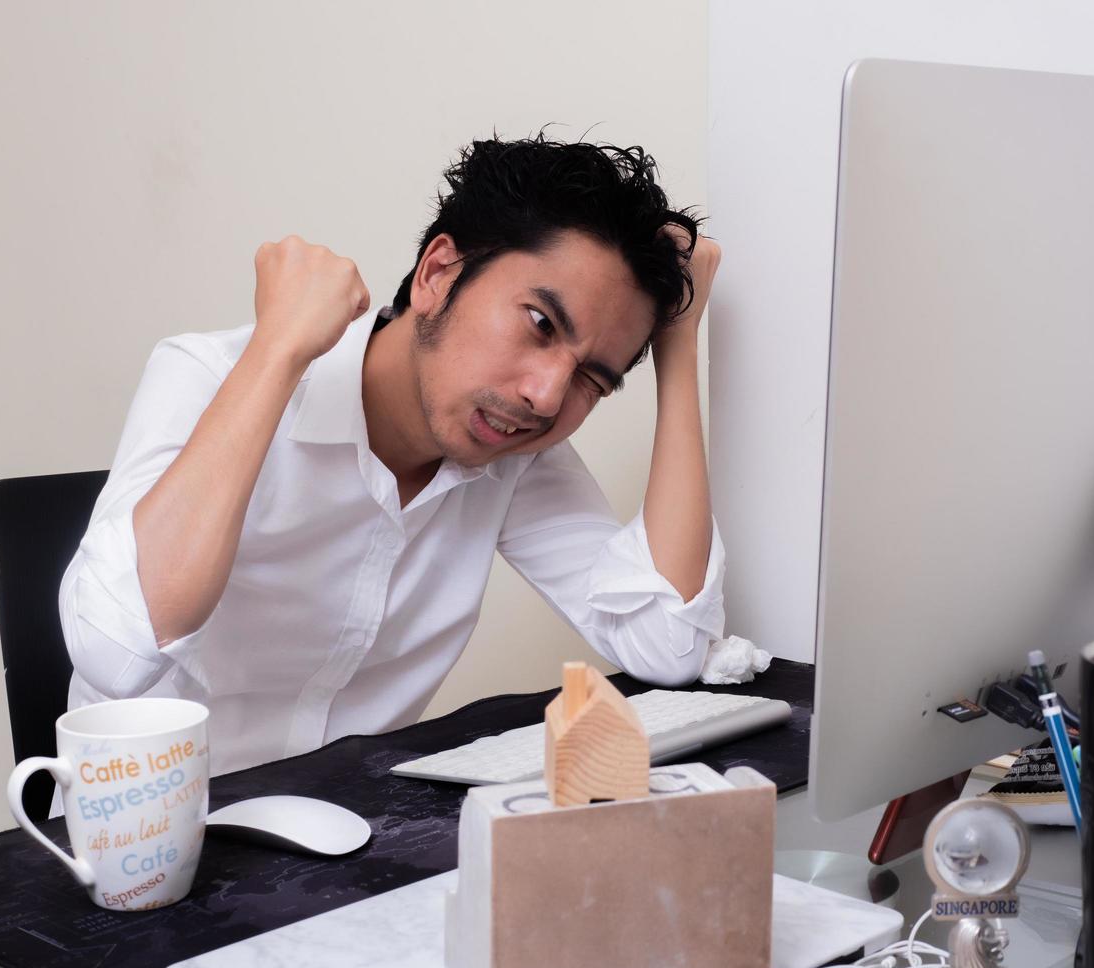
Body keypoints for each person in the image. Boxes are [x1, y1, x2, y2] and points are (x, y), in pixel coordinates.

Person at [59, 133, 726, 780]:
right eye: (539, 324)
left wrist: (678, 344)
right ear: (438, 272)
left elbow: (666, 645)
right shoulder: (210, 373)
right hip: (152, 842)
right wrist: (277, 350)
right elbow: (117, 656)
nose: (546, 397)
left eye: (593, 379)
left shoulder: (512, 456)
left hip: (357, 840)